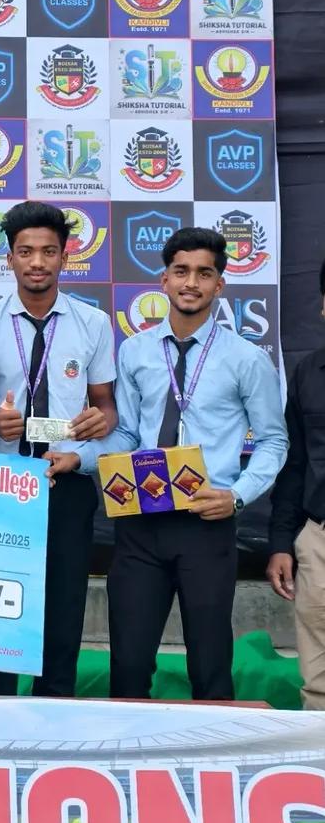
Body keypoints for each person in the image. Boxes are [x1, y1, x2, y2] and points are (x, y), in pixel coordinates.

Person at [54, 227, 288, 700]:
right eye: (181, 271)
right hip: (140, 524)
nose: (191, 283)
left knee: (210, 664)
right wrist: (80, 458)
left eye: (204, 274)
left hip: (206, 523)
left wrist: (237, 496)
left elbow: (273, 441)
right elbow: (124, 435)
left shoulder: (246, 359)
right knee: (129, 664)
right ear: (163, 280)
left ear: (219, 285)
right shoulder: (136, 350)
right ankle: (126, 769)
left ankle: (215, 771)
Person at [0, 201, 117, 697]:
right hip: (1, 487)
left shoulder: (93, 323)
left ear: (65, 257)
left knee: (63, 607)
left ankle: (57, 716)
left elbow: (106, 408)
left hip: (66, 481)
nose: (37, 262)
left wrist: (100, 421)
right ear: (8, 258)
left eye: (48, 251)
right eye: (26, 251)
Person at [266, 256, 325, 709]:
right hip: (319, 540)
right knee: (319, 682)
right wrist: (284, 542)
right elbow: (295, 463)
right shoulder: (308, 373)